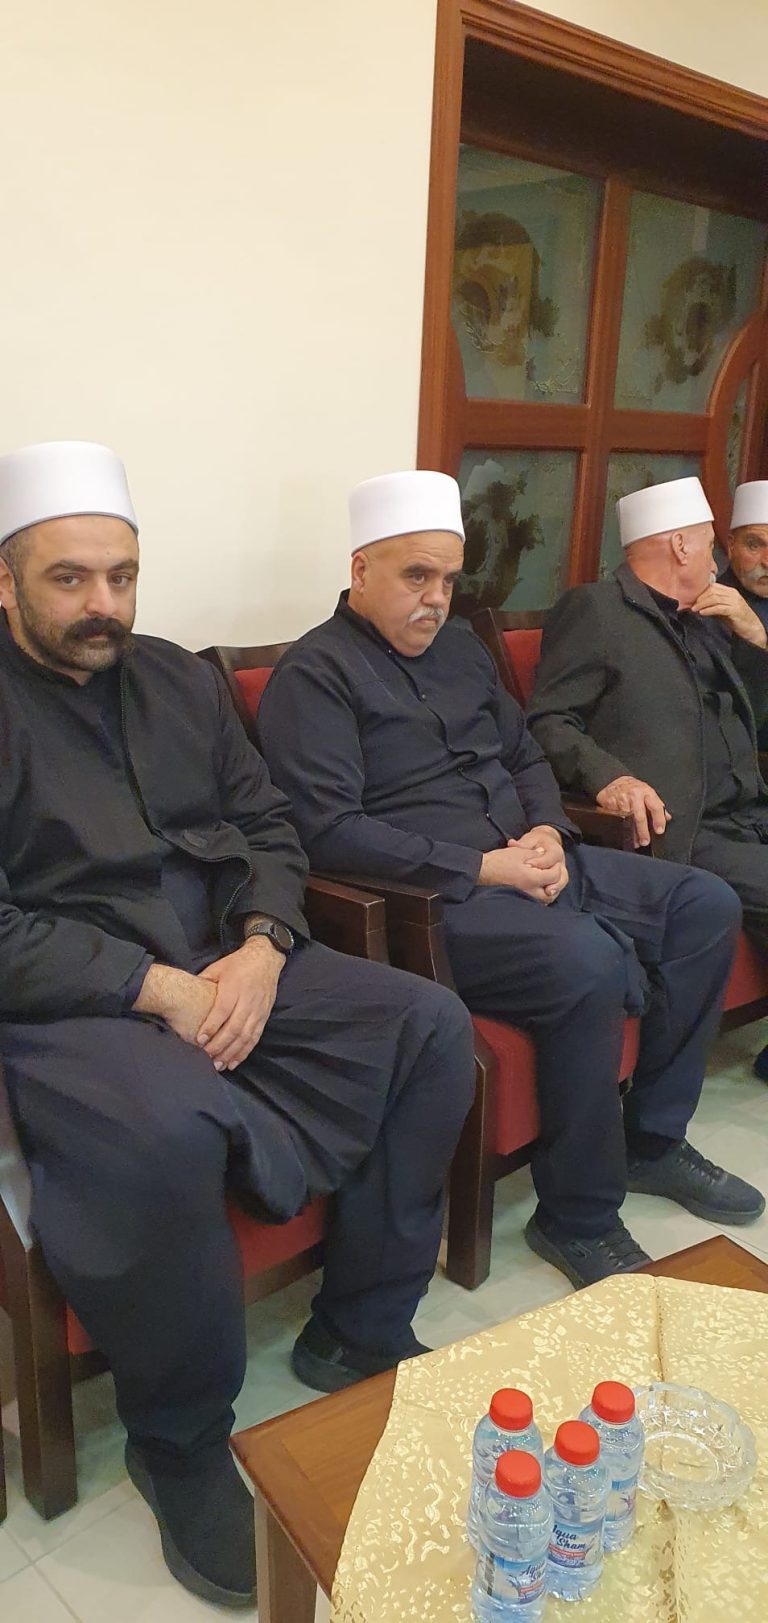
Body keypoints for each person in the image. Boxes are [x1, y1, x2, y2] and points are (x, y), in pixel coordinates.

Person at [0, 442, 476, 1610]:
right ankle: (178, 1439)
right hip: (72, 996)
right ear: (5, 583)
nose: (103, 603)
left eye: (121, 576)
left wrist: (263, 944)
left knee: (427, 1024)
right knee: (166, 1131)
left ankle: (360, 1325)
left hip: (227, 954)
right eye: (69, 578)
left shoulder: (177, 679)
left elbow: (269, 826)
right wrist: (154, 988)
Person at [257, 470, 762, 1306]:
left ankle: (653, 1139)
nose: (436, 598)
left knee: (703, 905)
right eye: (417, 576)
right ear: (361, 569)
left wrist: (550, 832)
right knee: (587, 961)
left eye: (449, 580)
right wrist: (483, 867)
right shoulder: (315, 675)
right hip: (439, 903)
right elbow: (327, 830)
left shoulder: (460, 649)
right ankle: (577, 1214)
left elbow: (526, 751)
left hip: (532, 858)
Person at [527, 475, 768, 1079]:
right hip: (689, 825)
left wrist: (756, 637)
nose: (717, 558)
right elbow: (548, 720)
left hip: (750, 809)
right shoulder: (596, 610)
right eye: (709, 542)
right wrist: (608, 777)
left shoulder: (709, 617)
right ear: (681, 546)